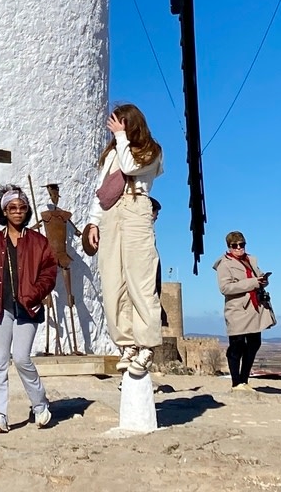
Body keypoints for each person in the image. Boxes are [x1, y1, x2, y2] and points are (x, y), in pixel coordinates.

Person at [0, 185, 58, 433]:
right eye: (12, 208)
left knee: (21, 358)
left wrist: (36, 293)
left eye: (22, 208)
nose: (18, 212)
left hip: (28, 307)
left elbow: (49, 271)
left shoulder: (39, 242)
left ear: (27, 211)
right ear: (4, 211)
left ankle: (40, 405)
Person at [94, 102, 164, 377]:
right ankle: (127, 344)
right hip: (111, 213)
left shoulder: (151, 151)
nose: (114, 128)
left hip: (136, 207)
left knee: (140, 280)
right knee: (113, 283)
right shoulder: (113, 151)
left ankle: (146, 345)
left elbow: (131, 167)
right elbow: (102, 188)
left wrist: (121, 138)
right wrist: (93, 221)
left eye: (119, 123)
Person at [215, 230, 273, 390]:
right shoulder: (224, 264)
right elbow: (225, 288)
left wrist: (263, 281)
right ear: (229, 247)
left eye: (242, 245)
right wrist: (253, 283)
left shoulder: (250, 260)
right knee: (236, 346)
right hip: (238, 310)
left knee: (254, 343)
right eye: (235, 246)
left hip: (254, 308)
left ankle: (244, 380)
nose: (239, 248)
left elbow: (257, 277)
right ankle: (236, 383)